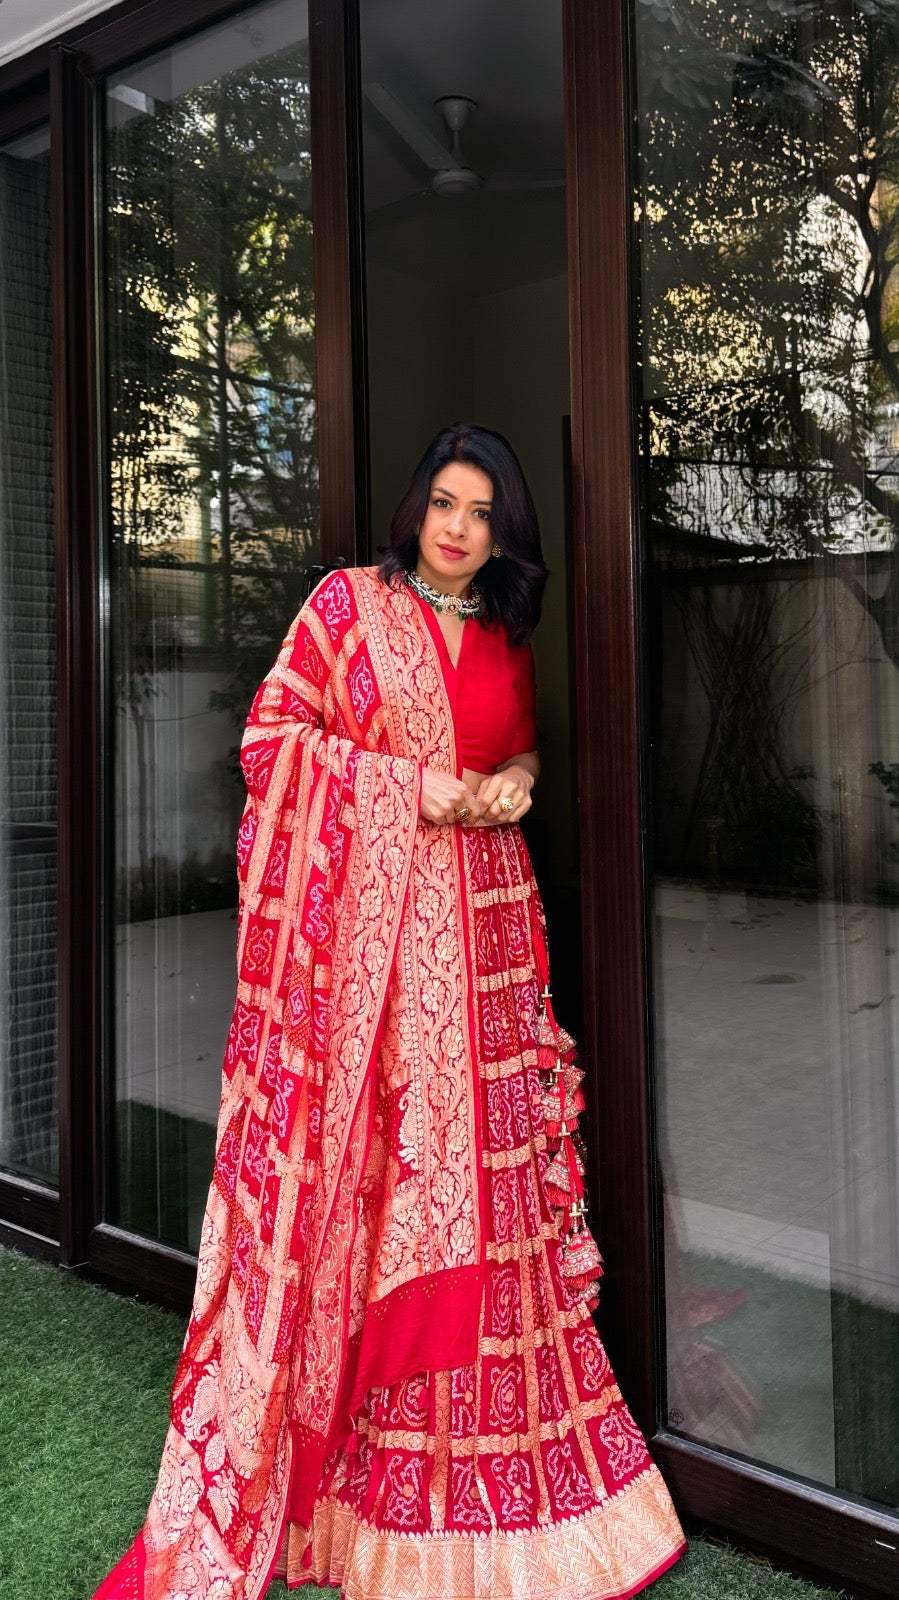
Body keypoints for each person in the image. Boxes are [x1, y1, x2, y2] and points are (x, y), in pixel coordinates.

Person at [92, 423, 688, 1600]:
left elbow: (517, 759)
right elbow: (272, 743)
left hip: (483, 938)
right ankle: (357, 1475)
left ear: (503, 532)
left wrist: (511, 785)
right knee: (374, 1176)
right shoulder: (342, 608)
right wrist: (411, 786)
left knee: (485, 1184)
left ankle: (492, 1474)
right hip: (367, 965)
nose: (459, 528)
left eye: (482, 513)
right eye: (445, 503)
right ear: (417, 506)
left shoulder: (505, 638)